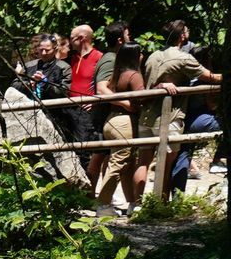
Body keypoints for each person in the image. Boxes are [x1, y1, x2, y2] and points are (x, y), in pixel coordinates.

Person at [144, 20, 221, 194]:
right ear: (182, 36)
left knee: (162, 159)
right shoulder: (183, 58)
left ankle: (165, 200)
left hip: (149, 114)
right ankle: (162, 201)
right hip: (172, 115)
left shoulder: (154, 55)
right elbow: (212, 78)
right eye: (187, 30)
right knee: (168, 161)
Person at [93, 41, 147, 214]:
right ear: (135, 56)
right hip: (124, 123)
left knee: (127, 164)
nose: (142, 56)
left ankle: (132, 203)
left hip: (111, 121)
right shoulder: (134, 75)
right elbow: (142, 98)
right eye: (140, 53)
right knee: (118, 163)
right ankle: (102, 204)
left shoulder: (116, 75)